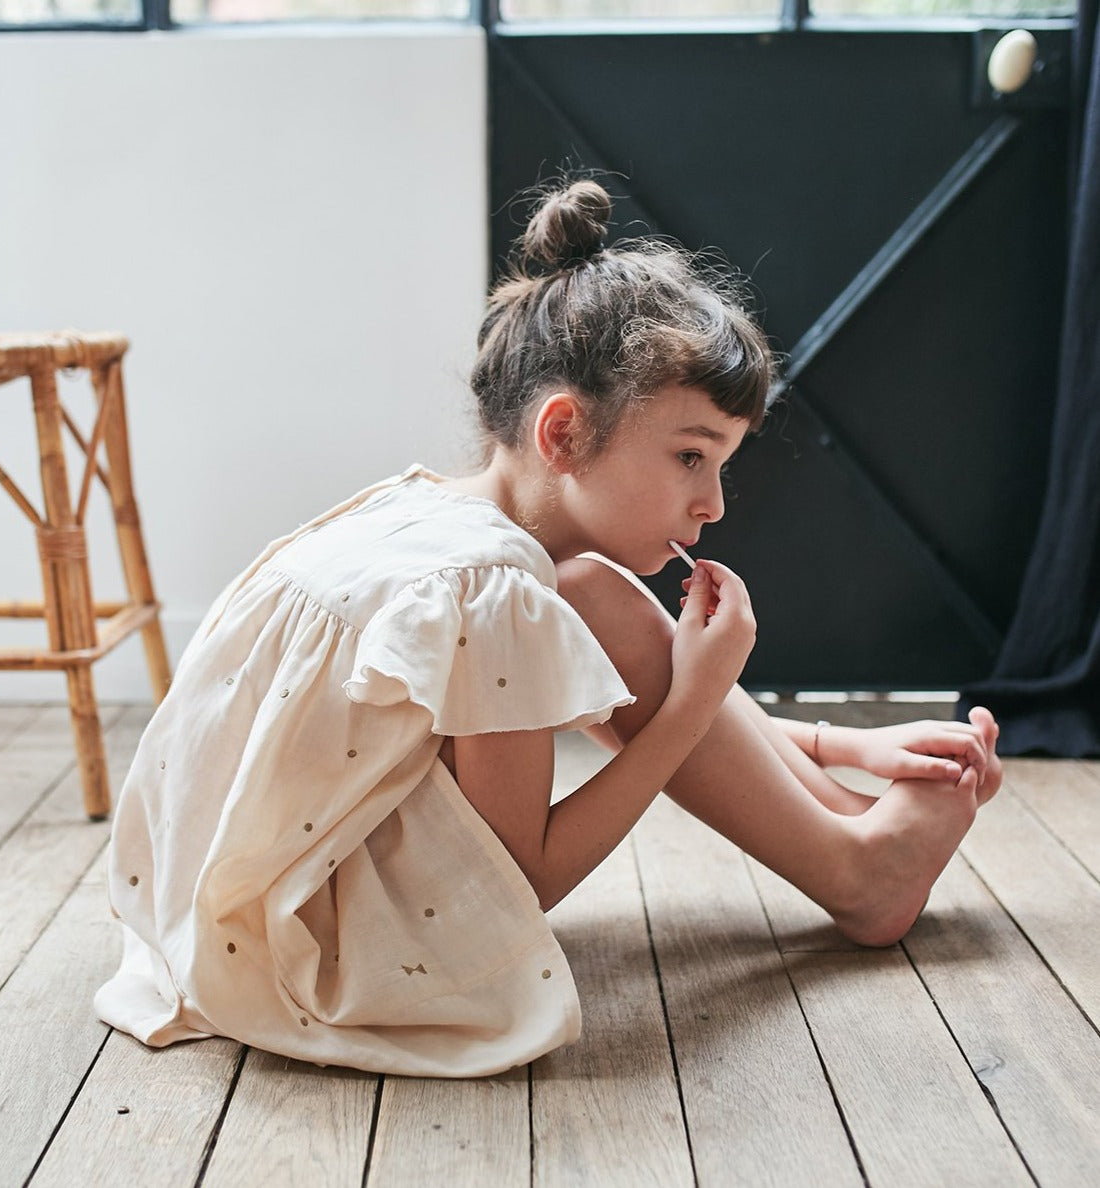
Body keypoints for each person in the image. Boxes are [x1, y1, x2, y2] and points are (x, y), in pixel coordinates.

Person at [95, 179, 1002, 1078]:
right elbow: (520, 885)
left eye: (722, 464)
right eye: (691, 456)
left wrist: (841, 746)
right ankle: (859, 869)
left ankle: (850, 827)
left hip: (214, 915)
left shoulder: (429, 518)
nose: (713, 502)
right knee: (593, 599)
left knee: (596, 594)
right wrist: (691, 702)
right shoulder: (497, 593)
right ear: (562, 433)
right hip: (314, 956)